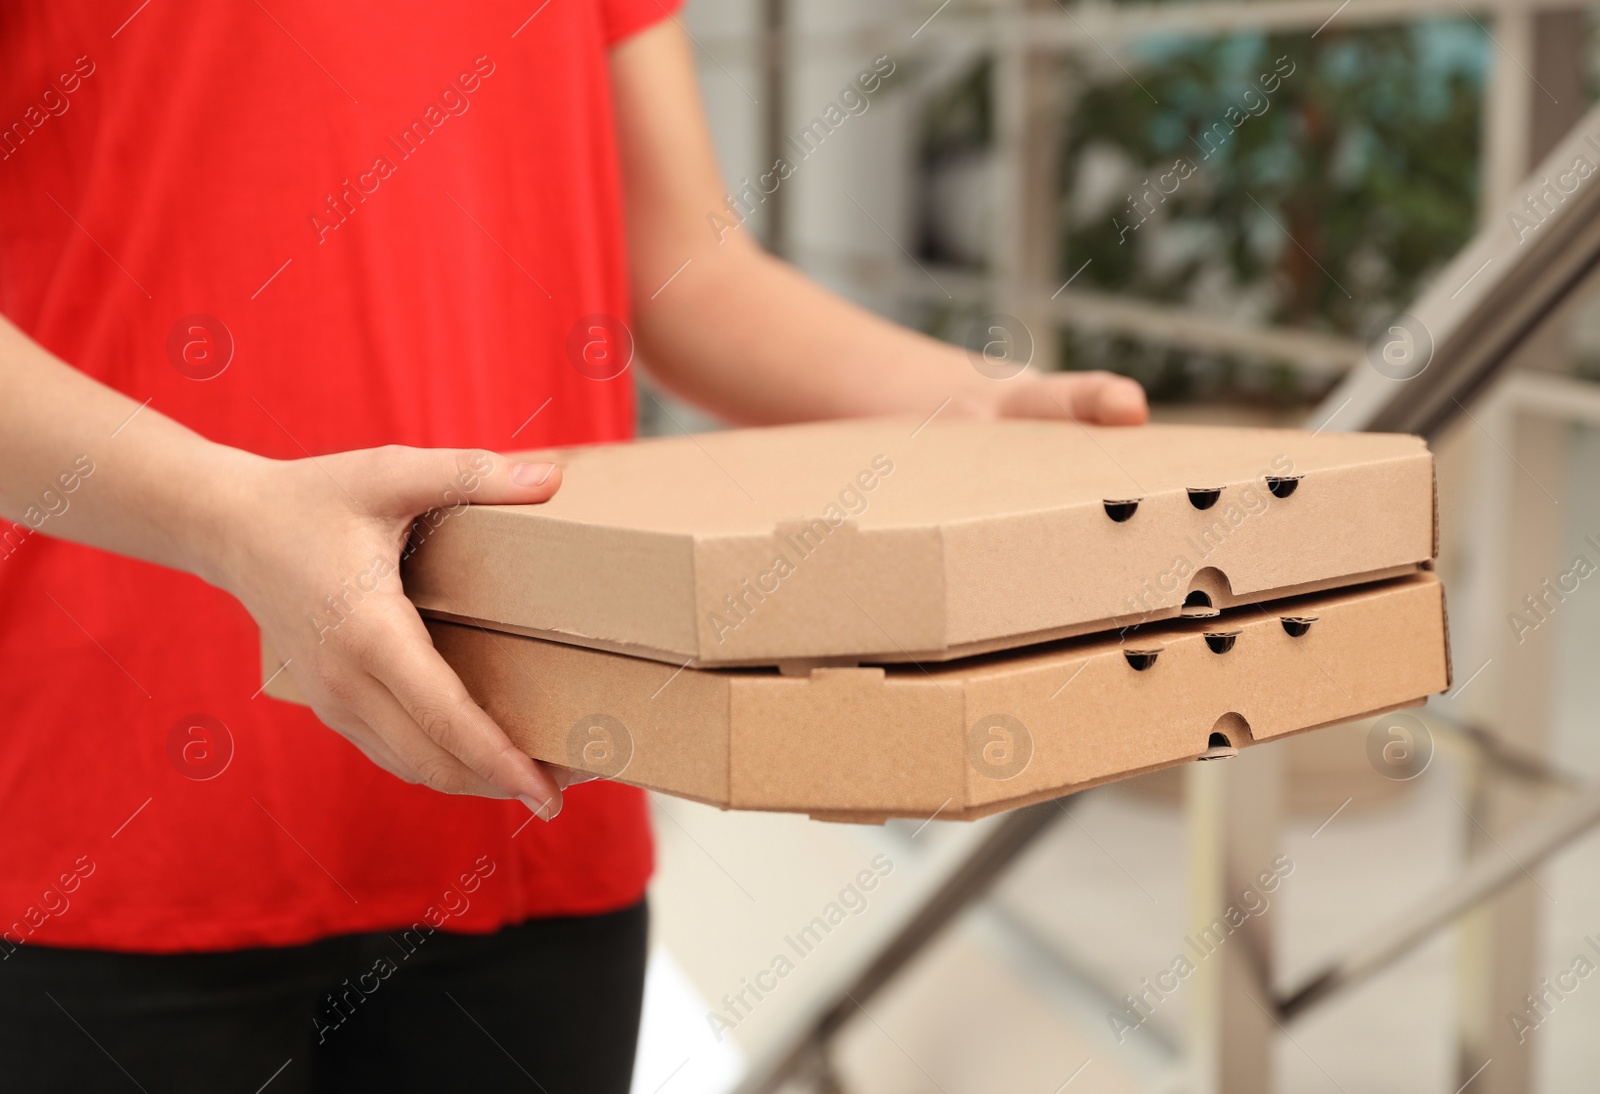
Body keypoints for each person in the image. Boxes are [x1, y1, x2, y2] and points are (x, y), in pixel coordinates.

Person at [0, 1, 1148, 1090]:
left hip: (533, 794)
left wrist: (970, 406)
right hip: (110, 826)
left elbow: (689, 277)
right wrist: (231, 517)